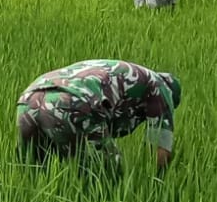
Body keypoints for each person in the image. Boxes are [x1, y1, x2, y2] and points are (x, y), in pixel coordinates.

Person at [16, 59, 181, 177]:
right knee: (110, 177)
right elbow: (161, 147)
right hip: (72, 103)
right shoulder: (161, 87)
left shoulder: (133, 73)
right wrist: (157, 183)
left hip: (28, 100)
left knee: (33, 174)